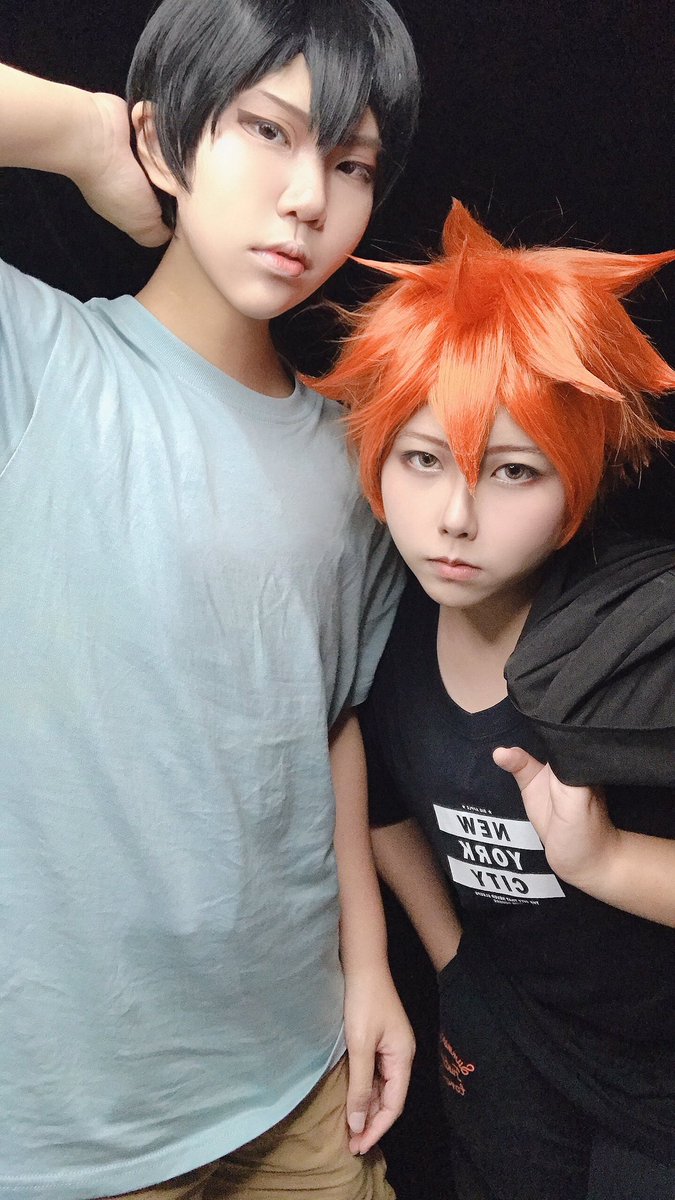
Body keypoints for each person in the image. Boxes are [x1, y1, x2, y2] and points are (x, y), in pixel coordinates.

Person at [0, 2, 421, 1197]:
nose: (308, 199)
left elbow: (328, 719)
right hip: (74, 1124)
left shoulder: (360, 461)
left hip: (301, 1079)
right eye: (267, 132)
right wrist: (94, 138)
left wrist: (368, 968)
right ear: (168, 137)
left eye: (352, 166)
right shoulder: (37, 358)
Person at [312, 200, 675, 1200]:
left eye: (513, 471)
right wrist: (453, 965)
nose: (456, 517)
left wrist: (605, 860)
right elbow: (375, 786)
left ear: (577, 489)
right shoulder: (387, 624)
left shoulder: (637, 637)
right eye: (424, 459)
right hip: (513, 1041)